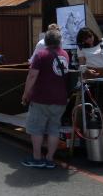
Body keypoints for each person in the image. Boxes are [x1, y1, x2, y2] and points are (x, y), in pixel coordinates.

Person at [21, 29, 69, 169]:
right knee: (54, 128)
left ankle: (37, 158)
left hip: (41, 98)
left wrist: (25, 94)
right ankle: (49, 159)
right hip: (60, 98)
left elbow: (32, 76)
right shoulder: (65, 55)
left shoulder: (41, 55)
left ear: (46, 41)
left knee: (37, 129)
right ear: (59, 41)